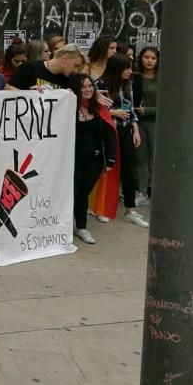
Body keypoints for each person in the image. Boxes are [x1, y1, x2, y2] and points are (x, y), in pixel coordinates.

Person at [96, 53, 148, 228]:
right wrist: (113, 113)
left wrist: (135, 129)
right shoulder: (100, 84)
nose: (130, 71)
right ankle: (101, 207)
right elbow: (93, 108)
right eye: (127, 68)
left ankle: (130, 210)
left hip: (125, 129)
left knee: (129, 168)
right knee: (107, 167)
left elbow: (131, 109)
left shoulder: (128, 85)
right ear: (117, 68)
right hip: (107, 130)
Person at [72, 74, 116, 245]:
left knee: (83, 193)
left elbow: (108, 135)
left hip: (94, 161)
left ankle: (81, 227)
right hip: (71, 161)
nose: (88, 89)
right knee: (73, 193)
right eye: (83, 86)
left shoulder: (99, 109)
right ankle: (68, 226)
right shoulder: (68, 107)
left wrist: (111, 159)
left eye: (90, 86)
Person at [132, 46, 159, 203]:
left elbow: (170, 104)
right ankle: (142, 192)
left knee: (155, 158)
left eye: (153, 58)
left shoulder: (163, 78)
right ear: (141, 58)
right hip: (139, 122)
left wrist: (147, 110)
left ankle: (155, 191)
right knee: (141, 157)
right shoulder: (136, 77)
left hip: (157, 122)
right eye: (146, 57)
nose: (149, 61)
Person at [7, 43, 81, 92]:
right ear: (65, 59)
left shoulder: (73, 80)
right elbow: (7, 88)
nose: (76, 70)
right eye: (76, 65)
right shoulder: (30, 67)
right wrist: (29, 94)